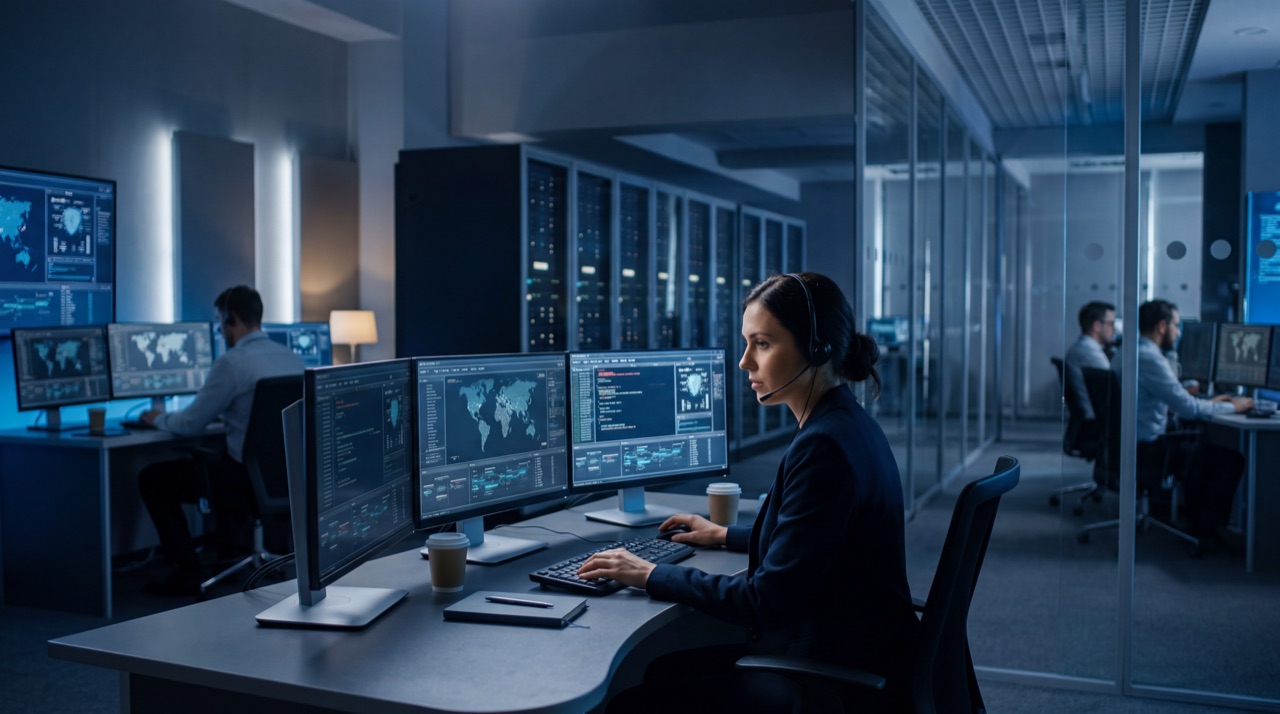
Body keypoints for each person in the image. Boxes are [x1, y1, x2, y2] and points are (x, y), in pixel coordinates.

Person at [579, 272, 917, 712]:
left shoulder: (824, 447)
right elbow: (817, 538)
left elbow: (766, 600)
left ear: (816, 349)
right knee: (664, 670)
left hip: (830, 669)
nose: (744, 362)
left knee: (635, 702)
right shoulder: (848, 424)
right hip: (859, 649)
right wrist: (724, 534)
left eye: (762, 343)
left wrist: (649, 574)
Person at [138, 285, 305, 595]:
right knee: (221, 458)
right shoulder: (292, 359)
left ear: (230, 319)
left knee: (153, 479)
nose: (220, 329)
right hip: (285, 478)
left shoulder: (231, 363)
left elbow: (189, 424)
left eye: (220, 321)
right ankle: (231, 552)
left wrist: (156, 418)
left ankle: (188, 570)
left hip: (245, 480)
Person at [1117, 299, 1252, 555]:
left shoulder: (1129, 351)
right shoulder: (1149, 358)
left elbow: (1174, 400)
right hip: (1148, 449)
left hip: (1131, 442)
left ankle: (1193, 523)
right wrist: (1234, 406)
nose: (1178, 333)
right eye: (1176, 326)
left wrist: (1203, 401)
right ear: (1161, 326)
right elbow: (1189, 409)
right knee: (1226, 459)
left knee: (1201, 449)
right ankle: (1204, 531)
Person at [1065, 301, 1116, 422]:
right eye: (1111, 324)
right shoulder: (1089, 352)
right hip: (1096, 421)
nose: (1114, 330)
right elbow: (1114, 385)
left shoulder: (1083, 348)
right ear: (1097, 326)